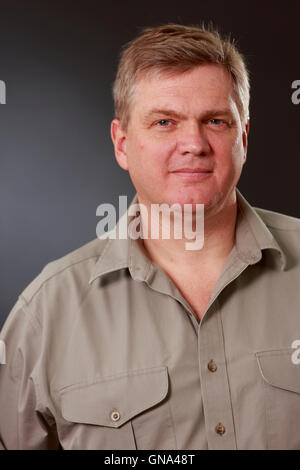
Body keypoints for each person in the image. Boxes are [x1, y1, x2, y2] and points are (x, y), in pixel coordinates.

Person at [0, 23, 300, 451]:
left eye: (215, 121)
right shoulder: (46, 314)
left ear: (244, 138)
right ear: (122, 144)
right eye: (165, 122)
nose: (193, 143)